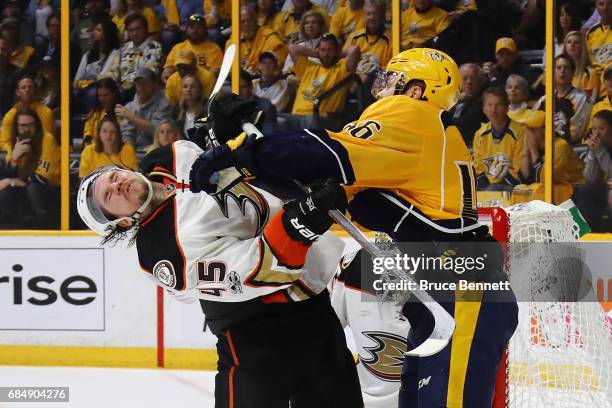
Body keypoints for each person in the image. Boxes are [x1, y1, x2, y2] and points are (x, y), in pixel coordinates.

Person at [188, 48, 519, 408]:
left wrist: (243, 151)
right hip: (449, 295)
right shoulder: (411, 142)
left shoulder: (413, 114)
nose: (382, 88)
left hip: (462, 292)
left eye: (393, 78)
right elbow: (319, 186)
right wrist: (244, 155)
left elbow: (325, 153)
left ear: (417, 90)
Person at [76, 142, 363, 407]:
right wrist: (301, 221)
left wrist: (230, 136)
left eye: (114, 177)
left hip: (315, 313)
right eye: (109, 196)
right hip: (257, 343)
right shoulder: (162, 252)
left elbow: (236, 163)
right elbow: (261, 269)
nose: (118, 185)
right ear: (123, 224)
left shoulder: (171, 156)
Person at [330, 240, 410, 408]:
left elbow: (328, 331)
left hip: (364, 397)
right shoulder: (450, 264)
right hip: (426, 395)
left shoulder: (350, 264)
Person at [0, 107, 60, 229]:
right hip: (23, 190)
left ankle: (46, 231)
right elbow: (5, 179)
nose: (26, 129)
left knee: (32, 190)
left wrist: (13, 181)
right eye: (22, 125)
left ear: (36, 125)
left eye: (29, 125)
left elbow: (42, 178)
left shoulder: (47, 139)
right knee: (5, 194)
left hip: (49, 191)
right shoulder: (16, 141)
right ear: (16, 127)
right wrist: (15, 159)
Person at [287, 32, 360, 129]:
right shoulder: (309, 67)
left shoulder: (341, 69)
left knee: (310, 120)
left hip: (322, 118)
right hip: (297, 116)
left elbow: (354, 51)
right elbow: (292, 48)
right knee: (273, 117)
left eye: (330, 50)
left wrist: (337, 54)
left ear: (337, 51)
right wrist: (315, 53)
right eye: (323, 50)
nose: (326, 54)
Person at [517, 110, 584, 204]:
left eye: (533, 129)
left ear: (546, 129)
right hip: (552, 188)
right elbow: (523, 179)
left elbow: (544, 179)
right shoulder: (534, 145)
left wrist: (533, 151)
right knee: (518, 190)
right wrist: (526, 151)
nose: (528, 133)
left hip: (572, 189)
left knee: (537, 192)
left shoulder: (560, 146)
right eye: (527, 129)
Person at [473, 86, 525, 191]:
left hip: (513, 185)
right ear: (484, 109)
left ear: (507, 107)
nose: (493, 109)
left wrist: (491, 190)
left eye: (498, 105)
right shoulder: (480, 134)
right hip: (487, 186)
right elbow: (479, 169)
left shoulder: (520, 131)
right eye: (489, 105)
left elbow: (519, 170)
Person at [116, 67, 173, 148]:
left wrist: (131, 117)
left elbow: (157, 132)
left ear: (154, 84)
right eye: (139, 83)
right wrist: (129, 149)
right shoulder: (129, 107)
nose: (142, 87)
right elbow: (126, 133)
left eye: (145, 83)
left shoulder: (164, 103)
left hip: (156, 150)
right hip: (134, 152)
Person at [575, 109, 612, 232]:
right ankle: (584, 232)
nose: (597, 134)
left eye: (601, 129)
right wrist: (592, 152)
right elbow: (590, 177)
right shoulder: (597, 146)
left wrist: (600, 151)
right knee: (585, 191)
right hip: (604, 189)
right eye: (594, 129)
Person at [0, 76, 55, 152]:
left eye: (30, 87)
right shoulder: (10, 115)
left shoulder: (45, 112)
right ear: (18, 92)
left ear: (35, 91)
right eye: (23, 87)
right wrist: (13, 150)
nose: (27, 90)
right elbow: (4, 141)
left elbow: (46, 141)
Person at [162, 14, 223, 80]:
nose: (195, 30)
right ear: (186, 29)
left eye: (199, 27)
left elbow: (214, 73)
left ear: (205, 30)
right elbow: (168, 69)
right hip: (181, 85)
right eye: (191, 27)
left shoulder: (214, 49)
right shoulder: (177, 48)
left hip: (204, 84)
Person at [234, 6, 288, 76]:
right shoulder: (233, 41)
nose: (246, 24)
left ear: (256, 20)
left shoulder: (269, 37)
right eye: (242, 22)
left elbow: (276, 68)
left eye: (249, 20)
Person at [118, 13, 163, 94]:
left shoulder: (154, 47)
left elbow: (150, 72)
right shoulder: (124, 48)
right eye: (131, 30)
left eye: (138, 29)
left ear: (146, 29)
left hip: (144, 88)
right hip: (123, 88)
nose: (135, 33)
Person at [449, 62, 487, 147]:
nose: (469, 82)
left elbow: (466, 123)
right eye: (465, 78)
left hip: (470, 145)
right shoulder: (453, 99)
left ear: (480, 81)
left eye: (473, 78)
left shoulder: (483, 101)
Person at [563, 30, 600, 102]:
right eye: (569, 42)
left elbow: (590, 101)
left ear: (582, 47)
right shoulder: (558, 72)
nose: (572, 44)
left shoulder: (590, 73)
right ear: (565, 46)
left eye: (576, 42)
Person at [82, 78, 122, 145]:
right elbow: (87, 132)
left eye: (105, 95)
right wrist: (88, 141)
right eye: (99, 95)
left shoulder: (122, 113)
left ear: (114, 94)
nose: (102, 99)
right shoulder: (94, 113)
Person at [175, 73, 206, 137]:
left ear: (199, 90)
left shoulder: (207, 110)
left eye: (193, 86)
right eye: (185, 86)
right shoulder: (177, 111)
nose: (188, 90)